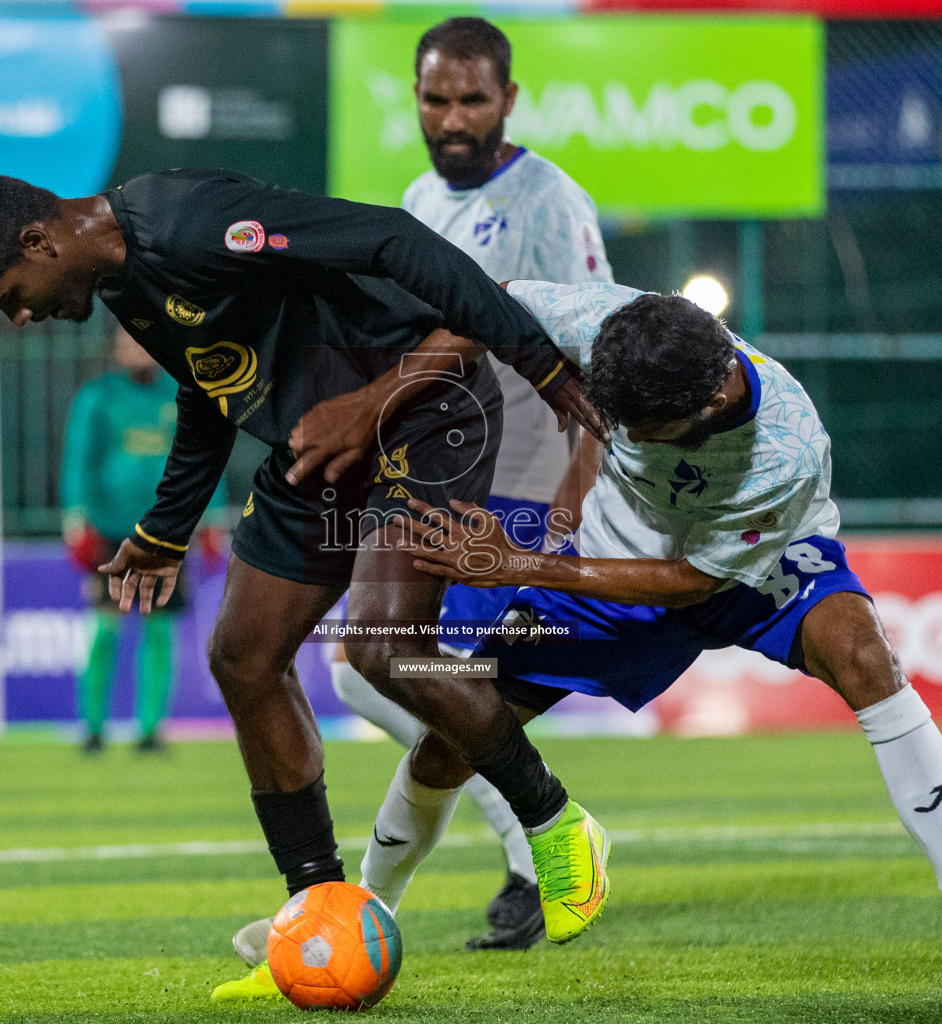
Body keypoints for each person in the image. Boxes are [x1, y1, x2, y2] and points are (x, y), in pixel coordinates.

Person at [0, 170, 613, 1003]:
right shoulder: (124, 282)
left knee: (383, 649)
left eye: (11, 299)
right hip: (314, 446)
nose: (22, 318)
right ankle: (315, 917)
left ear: (39, 243)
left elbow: (393, 236)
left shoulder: (189, 219)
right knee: (242, 657)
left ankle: (557, 822)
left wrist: (532, 356)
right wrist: (165, 526)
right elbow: (209, 389)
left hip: (424, 412)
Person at [361, 280, 942, 1011]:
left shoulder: (784, 451)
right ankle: (365, 911)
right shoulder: (613, 320)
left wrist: (523, 563)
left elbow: (689, 582)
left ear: (710, 404)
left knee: (866, 658)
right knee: (450, 740)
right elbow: (486, 301)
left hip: (743, 566)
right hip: (603, 560)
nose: (618, 432)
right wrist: (386, 401)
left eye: (639, 423)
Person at [317, 16, 615, 954]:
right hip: (447, 469)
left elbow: (593, 355)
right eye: (436, 99)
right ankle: (534, 840)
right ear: (414, 97)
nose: (453, 118)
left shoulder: (549, 205)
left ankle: (530, 851)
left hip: (520, 479)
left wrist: (569, 509)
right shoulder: (418, 196)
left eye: (472, 99)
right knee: (378, 668)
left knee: (398, 668)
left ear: (508, 100)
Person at [61, 325, 225, 753]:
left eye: (142, 339)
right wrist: (76, 517)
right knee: (103, 630)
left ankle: (150, 729)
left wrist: (212, 519)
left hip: (166, 532)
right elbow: (79, 460)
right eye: (128, 340)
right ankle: (92, 727)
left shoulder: (183, 393)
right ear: (115, 346)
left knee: (159, 633)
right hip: (109, 531)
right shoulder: (98, 397)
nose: (136, 347)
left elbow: (207, 456)